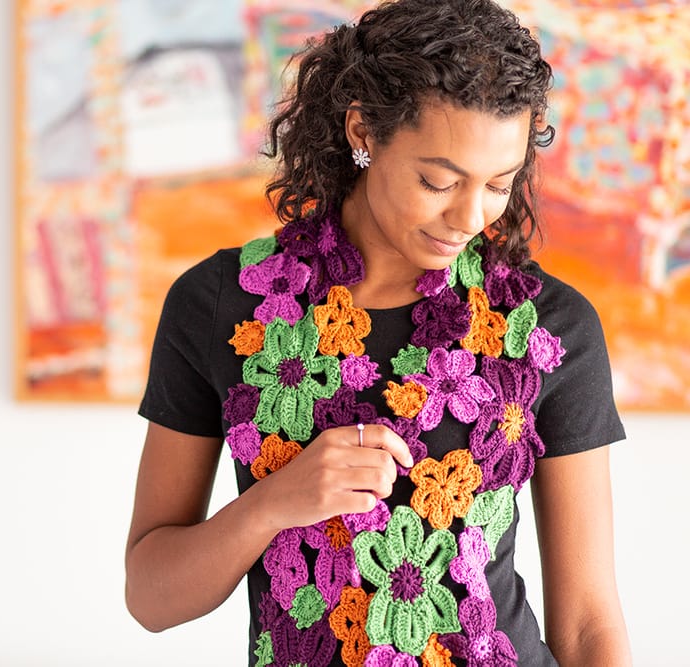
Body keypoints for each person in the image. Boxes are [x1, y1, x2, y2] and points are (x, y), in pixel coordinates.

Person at [125, 0, 631, 664]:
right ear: (363, 131)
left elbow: (589, 622)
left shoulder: (547, 328)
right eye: (438, 181)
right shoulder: (224, 304)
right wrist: (274, 501)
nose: (469, 215)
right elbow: (151, 597)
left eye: (498, 185)